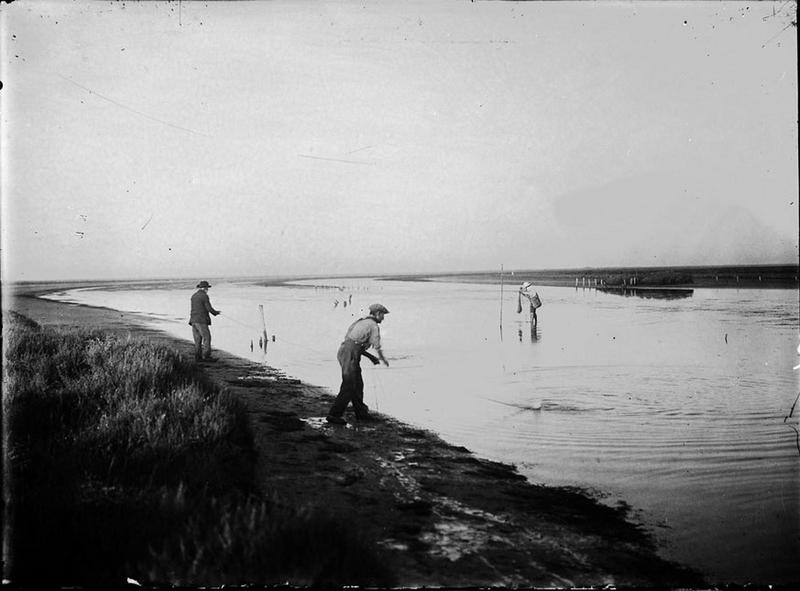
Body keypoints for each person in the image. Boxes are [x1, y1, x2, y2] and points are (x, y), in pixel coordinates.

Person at [326, 303, 390, 425]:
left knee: (358, 384)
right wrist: (383, 359)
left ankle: (361, 414)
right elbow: (376, 345)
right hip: (350, 354)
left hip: (346, 352)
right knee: (349, 384)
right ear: (377, 314)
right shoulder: (373, 326)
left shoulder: (361, 322)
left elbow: (354, 343)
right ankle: (334, 415)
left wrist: (371, 357)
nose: (383, 318)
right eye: (383, 315)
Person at [189, 280, 221, 362]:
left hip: (193, 320)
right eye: (207, 288)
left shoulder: (194, 296)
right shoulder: (204, 296)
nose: (207, 290)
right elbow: (209, 308)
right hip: (201, 320)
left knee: (197, 340)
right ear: (205, 288)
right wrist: (216, 313)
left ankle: (198, 357)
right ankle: (206, 356)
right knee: (207, 338)